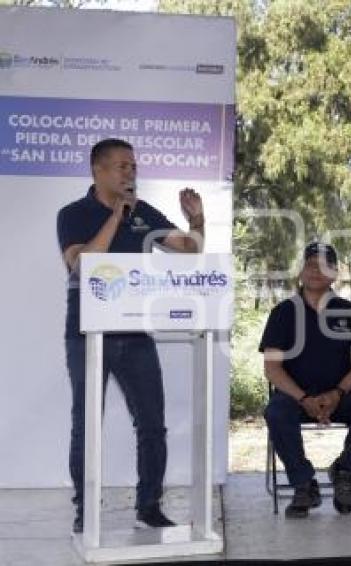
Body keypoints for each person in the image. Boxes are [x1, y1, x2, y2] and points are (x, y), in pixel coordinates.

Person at [57, 138, 205, 533]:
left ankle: (149, 505)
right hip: (87, 333)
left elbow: (190, 251)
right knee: (86, 423)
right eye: (122, 166)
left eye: (133, 166)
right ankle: (85, 508)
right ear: (98, 170)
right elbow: (83, 264)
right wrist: (116, 216)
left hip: (136, 333)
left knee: (153, 423)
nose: (130, 173)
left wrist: (197, 221)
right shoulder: (72, 214)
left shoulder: (144, 213)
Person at [260, 242, 351, 518]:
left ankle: (344, 470)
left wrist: (337, 394)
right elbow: (273, 369)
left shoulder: (349, 312)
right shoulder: (283, 313)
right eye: (310, 264)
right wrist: (304, 399)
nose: (316, 271)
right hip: (295, 398)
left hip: (341, 396)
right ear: (301, 272)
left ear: (335, 274)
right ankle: (303, 483)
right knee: (275, 411)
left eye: (324, 265)